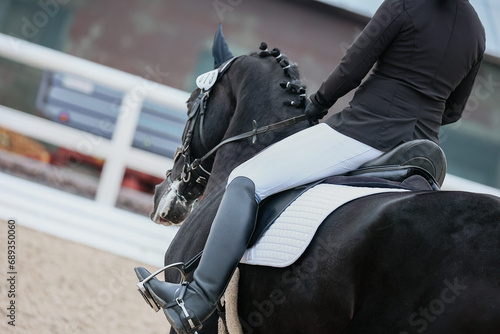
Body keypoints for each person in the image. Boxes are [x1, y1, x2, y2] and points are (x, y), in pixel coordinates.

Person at [136, 0, 485, 333]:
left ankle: (195, 300)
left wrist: (317, 106)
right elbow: (453, 110)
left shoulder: (405, 5)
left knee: (246, 179)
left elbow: (354, 66)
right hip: (421, 153)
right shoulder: (476, 30)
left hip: (365, 133)